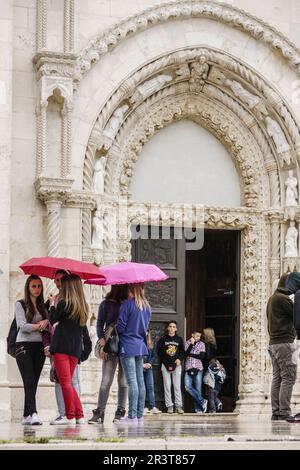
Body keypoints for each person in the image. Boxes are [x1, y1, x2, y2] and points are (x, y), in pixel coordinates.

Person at [48, 274, 89, 425]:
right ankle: (79, 415)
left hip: (62, 348)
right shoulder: (82, 306)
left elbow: (52, 320)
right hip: (75, 350)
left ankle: (69, 416)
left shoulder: (64, 303)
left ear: (68, 287)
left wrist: (52, 303)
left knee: (65, 382)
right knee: (69, 383)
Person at [88, 284, 129, 424]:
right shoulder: (105, 304)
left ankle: (121, 411)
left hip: (125, 344)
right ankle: (100, 412)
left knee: (123, 381)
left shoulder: (129, 304)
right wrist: (102, 341)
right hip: (110, 343)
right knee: (106, 381)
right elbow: (99, 323)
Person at [15, 275, 48, 425]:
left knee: (33, 381)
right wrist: (38, 326)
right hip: (23, 345)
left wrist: (46, 322)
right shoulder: (20, 304)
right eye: (33, 286)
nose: (36, 289)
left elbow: (49, 324)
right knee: (28, 379)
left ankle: (26, 415)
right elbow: (22, 325)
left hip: (39, 346)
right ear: (28, 288)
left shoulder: (43, 306)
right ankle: (34, 413)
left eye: (39, 286)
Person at [266, 272, 300, 421]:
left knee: (278, 377)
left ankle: (276, 411)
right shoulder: (283, 299)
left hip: (273, 343)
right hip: (284, 342)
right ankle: (284, 411)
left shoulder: (272, 299)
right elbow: (296, 315)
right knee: (289, 377)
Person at [116, 284, 151, 424]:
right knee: (140, 381)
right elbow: (146, 329)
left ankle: (131, 416)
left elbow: (120, 326)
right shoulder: (147, 307)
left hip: (127, 346)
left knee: (132, 381)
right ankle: (139, 415)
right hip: (140, 346)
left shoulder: (127, 305)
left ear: (130, 291)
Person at [157, 320, 185, 414]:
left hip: (176, 365)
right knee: (167, 387)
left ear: (176, 329)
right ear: (168, 328)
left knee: (177, 386)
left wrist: (179, 359)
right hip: (165, 365)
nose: (172, 328)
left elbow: (182, 352)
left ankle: (178, 406)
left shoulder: (179, 339)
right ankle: (169, 406)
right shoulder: (163, 339)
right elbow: (159, 352)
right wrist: (166, 352)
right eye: (170, 326)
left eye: (174, 327)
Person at [184, 331, 207, 414]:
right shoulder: (187, 343)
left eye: (199, 336)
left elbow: (201, 356)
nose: (198, 338)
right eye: (197, 336)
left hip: (198, 368)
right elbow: (185, 354)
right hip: (188, 367)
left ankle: (199, 409)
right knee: (187, 387)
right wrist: (191, 344)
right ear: (192, 335)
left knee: (198, 388)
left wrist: (190, 355)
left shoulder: (202, 344)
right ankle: (202, 401)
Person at [143, 329, 161, 415]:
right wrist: (142, 364)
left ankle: (152, 406)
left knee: (150, 387)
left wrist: (149, 363)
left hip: (149, 367)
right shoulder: (138, 341)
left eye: (147, 331)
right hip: (140, 367)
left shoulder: (151, 343)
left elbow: (154, 355)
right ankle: (143, 407)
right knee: (142, 388)